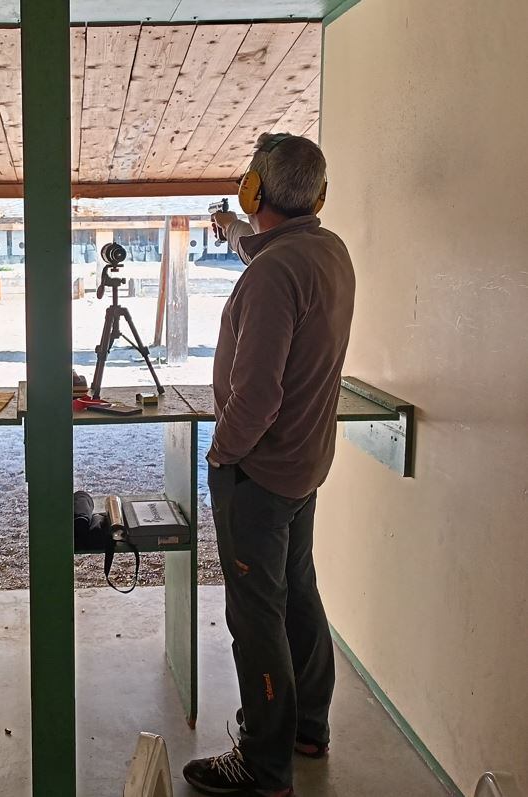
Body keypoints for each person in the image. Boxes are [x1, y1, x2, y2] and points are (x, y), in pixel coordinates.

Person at [182, 133, 355, 797]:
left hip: (259, 471)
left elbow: (256, 394)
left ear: (255, 192)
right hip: (304, 464)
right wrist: (232, 231)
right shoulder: (326, 251)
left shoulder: (273, 276)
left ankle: (264, 761)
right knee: (298, 595)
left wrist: (224, 453)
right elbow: (272, 252)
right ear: (317, 196)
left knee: (257, 619)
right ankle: (309, 726)